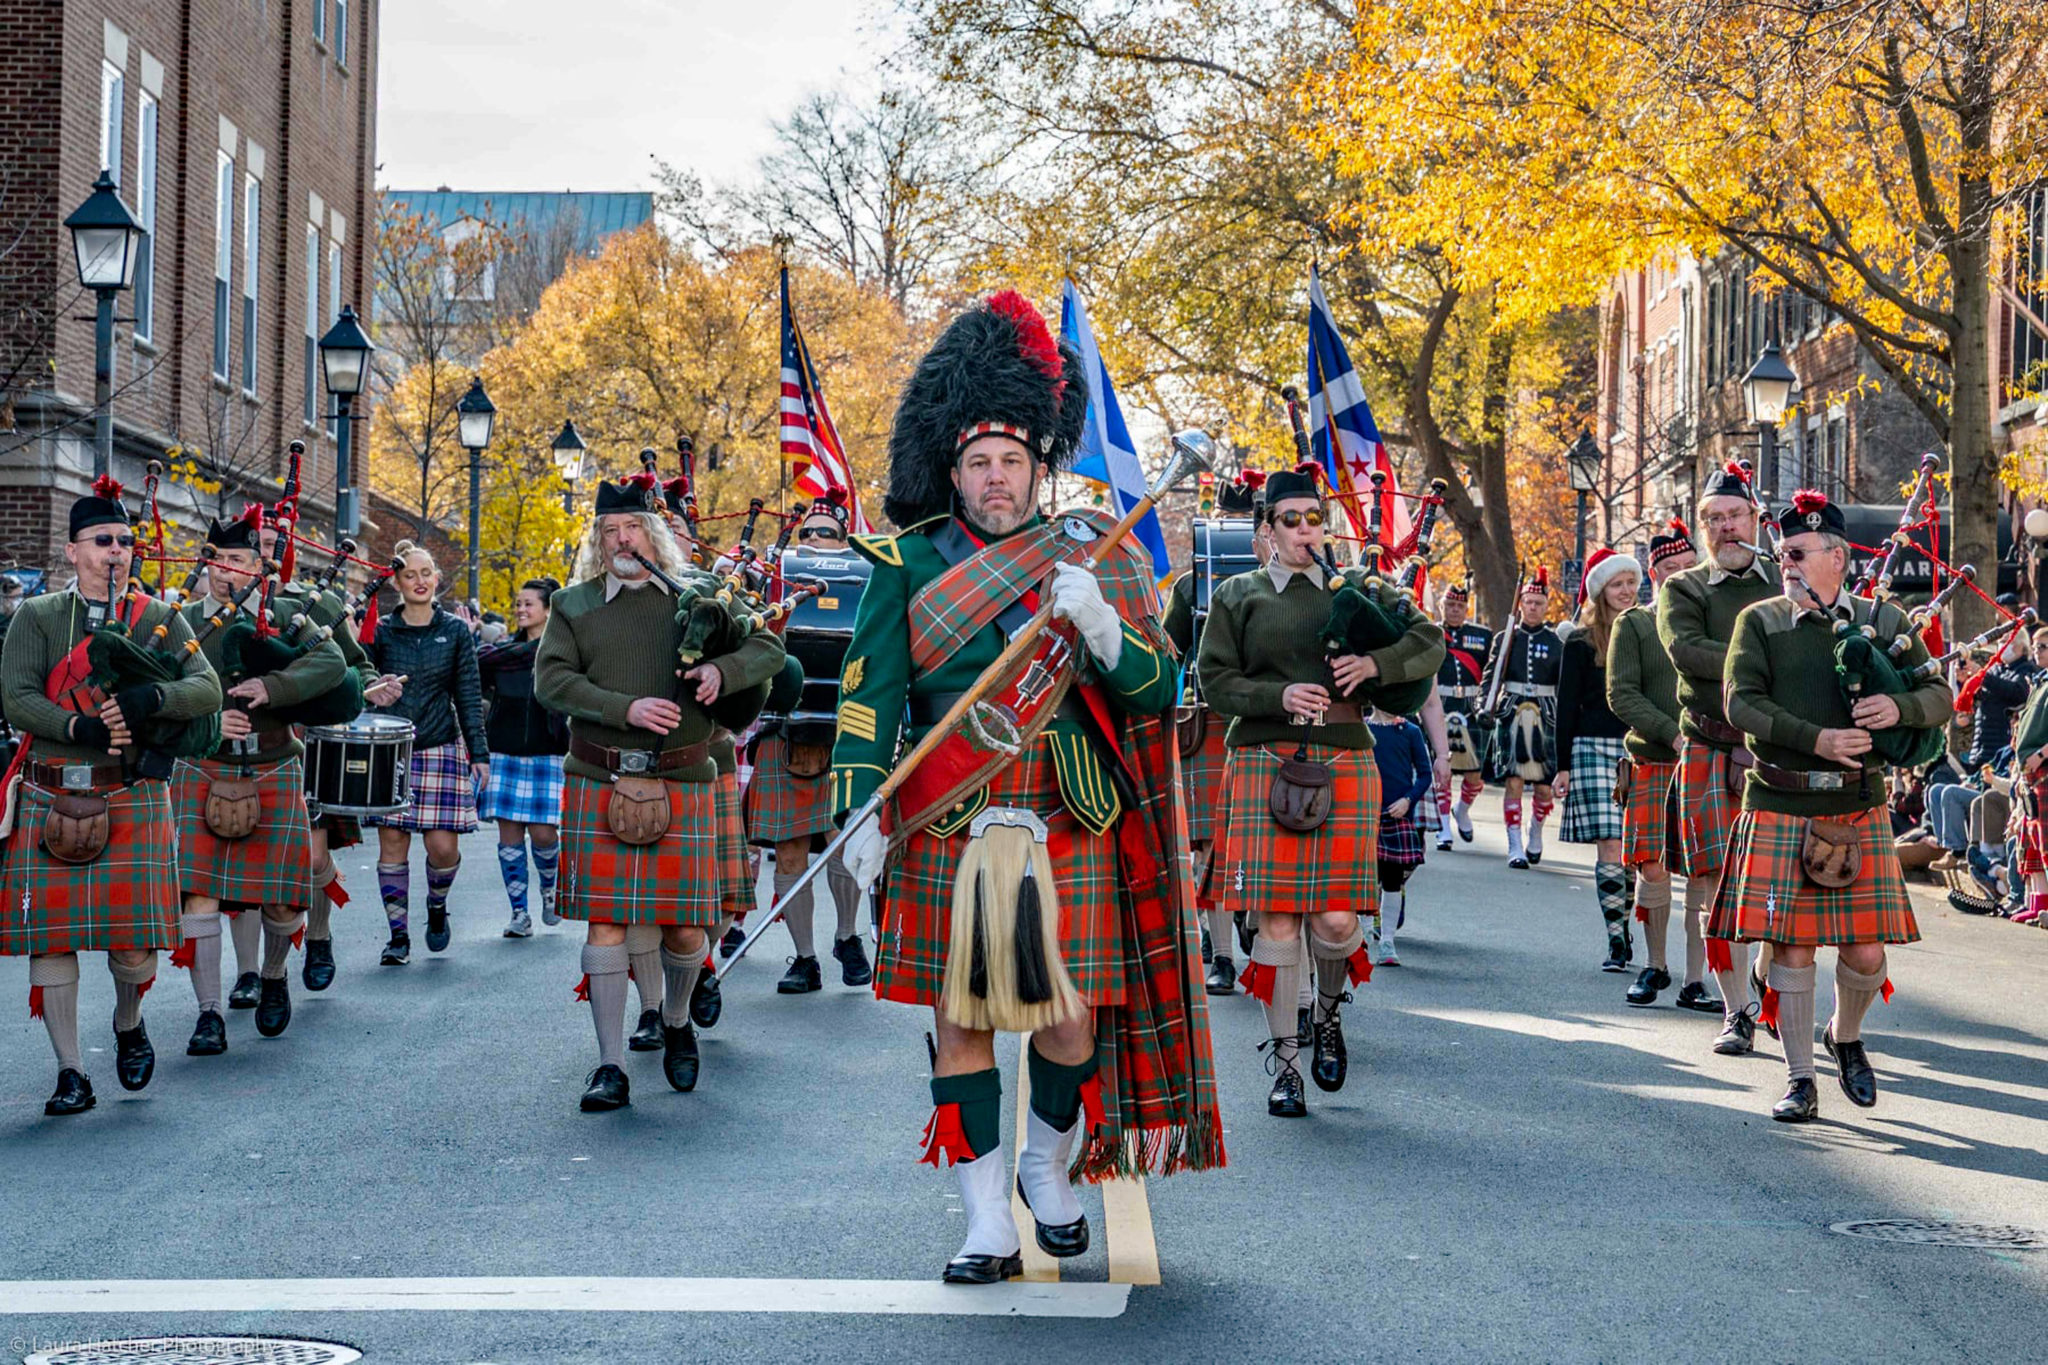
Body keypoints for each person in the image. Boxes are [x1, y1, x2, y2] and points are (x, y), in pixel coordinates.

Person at [830, 291, 1222, 1282]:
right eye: (976, 462)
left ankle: (1047, 1172)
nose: (994, 479)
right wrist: (860, 806)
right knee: (955, 1023)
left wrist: (1100, 629)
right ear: (948, 470)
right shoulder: (905, 563)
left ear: (1038, 465)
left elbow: (1163, 690)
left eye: (1010, 461)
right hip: (944, 816)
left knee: (1070, 1015)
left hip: (1065, 813)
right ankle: (982, 1223)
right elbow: (869, 698)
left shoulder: (1094, 553)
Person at [1201, 461, 1445, 1117]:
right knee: (1278, 920)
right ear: (1267, 531)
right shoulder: (1238, 596)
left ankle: (1329, 1017)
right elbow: (1214, 682)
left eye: (1315, 517)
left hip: (1343, 757)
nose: (1305, 529)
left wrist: (1375, 663)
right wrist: (1276, 694)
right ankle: (1285, 1063)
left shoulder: (1360, 586)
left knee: (1337, 919)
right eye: (1291, 519)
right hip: (1261, 756)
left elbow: (1430, 641)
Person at [536, 473, 786, 1111]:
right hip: (600, 776)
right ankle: (610, 1065)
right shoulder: (572, 605)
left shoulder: (699, 599)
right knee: (606, 923)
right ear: (598, 540)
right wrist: (627, 708)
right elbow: (554, 682)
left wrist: (718, 669)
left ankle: (676, 1020)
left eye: (634, 529)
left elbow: (768, 648)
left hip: (683, 779)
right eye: (611, 531)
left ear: (655, 533)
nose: (623, 541)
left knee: (681, 930)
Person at [1711, 489, 1951, 1121]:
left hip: (1857, 806)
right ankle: (1798, 1080)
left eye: (1797, 552)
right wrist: (1815, 738)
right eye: (1782, 552)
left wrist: (1899, 707)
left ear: (1838, 558)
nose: (1784, 562)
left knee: (1867, 952)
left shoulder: (1884, 622)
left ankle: (1843, 1037)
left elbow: (1940, 695)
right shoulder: (1759, 622)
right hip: (1780, 801)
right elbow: (1741, 704)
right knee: (1791, 948)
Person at [1, 477, 223, 1114]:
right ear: (72, 551)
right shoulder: (38, 617)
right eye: (103, 541)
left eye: (125, 541)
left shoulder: (159, 618)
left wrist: (153, 697)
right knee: (51, 940)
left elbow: (205, 688)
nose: (117, 551)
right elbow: (15, 697)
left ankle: (129, 1020)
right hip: (52, 794)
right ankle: (71, 1071)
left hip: (129, 793)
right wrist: (80, 727)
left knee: (132, 942)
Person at [170, 506, 347, 1053]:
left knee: (283, 903)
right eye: (219, 559)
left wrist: (272, 687)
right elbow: (157, 688)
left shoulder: (290, 612)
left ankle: (272, 974)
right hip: (206, 765)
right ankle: (208, 1013)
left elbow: (333, 664)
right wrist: (206, 718)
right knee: (198, 896)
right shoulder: (177, 620)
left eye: (239, 560)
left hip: (272, 763)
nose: (227, 570)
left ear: (259, 566)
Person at [1657, 462, 1783, 1056]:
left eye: (1734, 516)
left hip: (1777, 750)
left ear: (1755, 517)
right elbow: (1687, 651)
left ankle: (1762, 981)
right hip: (1709, 745)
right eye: (1713, 520)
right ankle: (1735, 1011)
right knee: (1712, 884)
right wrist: (1769, 655)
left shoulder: (1789, 578)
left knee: (1775, 883)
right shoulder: (1682, 589)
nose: (1725, 528)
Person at [744, 489, 870, 993]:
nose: (817, 539)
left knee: (842, 847)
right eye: (809, 532)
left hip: (844, 728)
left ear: (845, 537)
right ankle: (803, 958)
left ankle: (846, 937)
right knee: (791, 852)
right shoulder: (775, 578)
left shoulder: (868, 577)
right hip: (783, 724)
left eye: (828, 533)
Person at [1607, 519, 1717, 1009]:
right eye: (1670, 569)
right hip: (1655, 760)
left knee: (1703, 872)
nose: (1681, 576)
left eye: (1689, 568)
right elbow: (1621, 694)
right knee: (1652, 868)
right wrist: (1674, 736)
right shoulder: (1633, 624)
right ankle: (1655, 967)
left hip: (1708, 764)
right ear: (1654, 575)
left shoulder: (1719, 624)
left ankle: (1697, 980)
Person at [363, 541, 489, 965]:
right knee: (393, 843)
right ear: (397, 583)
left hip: (441, 746)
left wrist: (480, 753)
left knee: (443, 850)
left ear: (436, 578)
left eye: (426, 573)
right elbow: (363, 685)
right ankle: (398, 936)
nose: (419, 581)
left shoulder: (454, 631)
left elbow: (468, 695)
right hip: (391, 749)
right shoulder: (380, 631)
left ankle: (437, 906)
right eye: (409, 575)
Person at [1163, 468, 1264, 994]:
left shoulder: (1289, 578)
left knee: (1223, 843)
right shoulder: (1192, 585)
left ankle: (1238, 935)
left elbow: (1167, 655)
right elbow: (1169, 656)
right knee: (1214, 843)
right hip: (1214, 719)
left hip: (1256, 717)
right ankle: (1224, 954)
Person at [1554, 548, 1641, 970]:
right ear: (1600, 591)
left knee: (1634, 848)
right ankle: (1616, 940)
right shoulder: (1578, 641)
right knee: (1610, 843)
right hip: (1590, 746)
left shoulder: (1649, 630)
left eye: (1630, 583)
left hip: (1639, 747)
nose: (1625, 591)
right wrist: (1562, 766)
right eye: (1616, 584)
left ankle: (1626, 921)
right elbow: (1565, 706)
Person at [477, 578, 568, 939]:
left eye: (529, 604)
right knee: (509, 834)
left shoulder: (562, 651)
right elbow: (479, 666)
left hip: (548, 751)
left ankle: (549, 890)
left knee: (545, 833)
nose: (520, 609)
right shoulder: (503, 652)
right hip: (505, 748)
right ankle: (519, 913)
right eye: (518, 603)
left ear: (548, 610)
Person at [1483, 569, 1563, 868]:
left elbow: (1563, 686)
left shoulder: (1556, 642)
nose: (1532, 607)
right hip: (1512, 709)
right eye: (1527, 602)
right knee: (1514, 781)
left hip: (1545, 713)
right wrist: (1484, 705)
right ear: (1521, 604)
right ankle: (1514, 844)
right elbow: (1491, 676)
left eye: (1538, 603)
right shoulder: (1507, 638)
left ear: (1546, 606)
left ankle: (1536, 832)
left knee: (1543, 787)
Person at [1367, 703, 1433, 966]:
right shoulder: (1361, 729)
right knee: (1366, 880)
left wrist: (1408, 800)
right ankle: (1359, 940)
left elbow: (1425, 775)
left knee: (1393, 882)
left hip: (1397, 817)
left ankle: (1387, 941)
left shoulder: (1411, 732)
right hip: (1366, 815)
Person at [1434, 578, 1493, 848]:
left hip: (1470, 706)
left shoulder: (1482, 636)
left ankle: (1462, 809)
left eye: (1459, 605)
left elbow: (1491, 672)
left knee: (1475, 772)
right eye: (1450, 604)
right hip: (1441, 704)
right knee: (1442, 769)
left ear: (1466, 607)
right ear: (1441, 605)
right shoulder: (1430, 633)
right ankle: (1444, 826)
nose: (1455, 609)